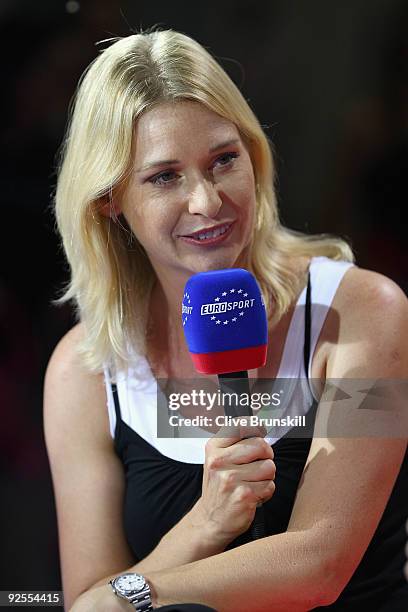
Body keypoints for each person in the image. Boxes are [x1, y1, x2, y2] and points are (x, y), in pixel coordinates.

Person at [43, 28, 408, 611]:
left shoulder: (365, 313)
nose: (208, 203)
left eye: (223, 160)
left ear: (254, 158)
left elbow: (319, 566)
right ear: (109, 199)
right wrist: (203, 525)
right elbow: (82, 599)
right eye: (164, 177)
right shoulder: (83, 371)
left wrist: (129, 596)